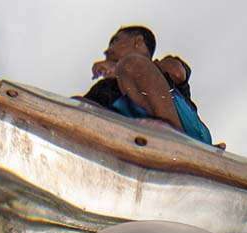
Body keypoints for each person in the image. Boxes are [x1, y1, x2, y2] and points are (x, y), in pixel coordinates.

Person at [80, 26, 213, 146]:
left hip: (190, 133)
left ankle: (177, 139)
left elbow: (177, 72)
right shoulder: (106, 87)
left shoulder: (161, 65)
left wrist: (117, 68)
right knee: (78, 103)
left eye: (115, 41)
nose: (107, 51)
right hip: (139, 135)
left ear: (138, 42)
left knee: (131, 64)